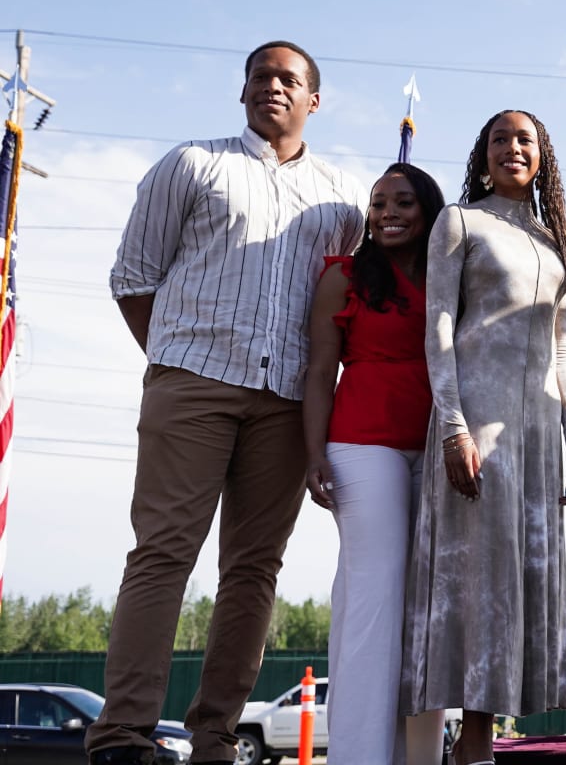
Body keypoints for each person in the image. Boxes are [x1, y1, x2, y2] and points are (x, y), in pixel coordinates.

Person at [94, 41, 364, 765]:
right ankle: (123, 734)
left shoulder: (343, 200)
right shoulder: (192, 165)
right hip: (192, 383)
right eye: (260, 76)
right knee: (162, 554)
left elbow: (345, 311)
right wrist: (178, 361)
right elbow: (133, 277)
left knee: (253, 570)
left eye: (289, 79)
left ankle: (215, 737)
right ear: (242, 90)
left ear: (314, 100)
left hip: (286, 401)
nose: (271, 86)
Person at [402, 110, 566, 765]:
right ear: (482, 154)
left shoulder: (551, 240)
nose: (513, 148)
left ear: (543, 158)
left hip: (538, 437)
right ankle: (470, 747)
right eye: (500, 138)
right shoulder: (459, 221)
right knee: (476, 585)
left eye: (526, 140)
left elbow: (560, 350)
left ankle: (481, 743)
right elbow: (439, 328)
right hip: (476, 425)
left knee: (519, 587)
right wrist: (452, 424)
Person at [302, 162, 447, 765]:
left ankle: (417, 755)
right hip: (364, 444)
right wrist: (313, 453)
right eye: (378, 202)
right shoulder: (343, 277)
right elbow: (318, 370)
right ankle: (359, 756)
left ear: (428, 210)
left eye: (404, 201)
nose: (388, 212)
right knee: (376, 592)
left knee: (430, 604)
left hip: (441, 448)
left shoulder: (452, 274)